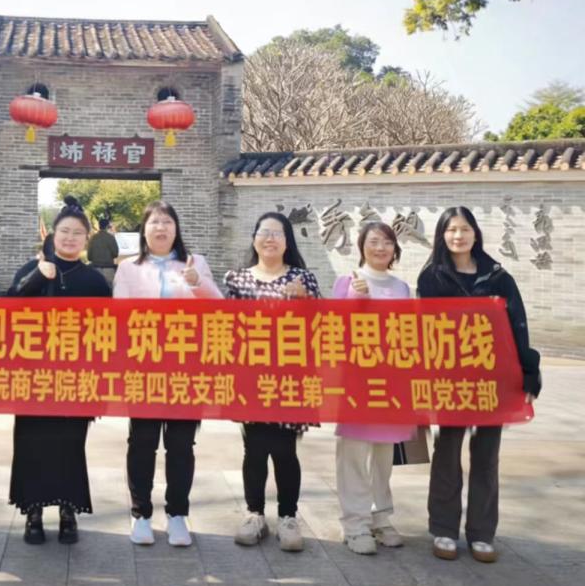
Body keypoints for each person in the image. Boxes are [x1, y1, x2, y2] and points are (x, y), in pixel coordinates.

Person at [418, 206, 540, 563]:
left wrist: (529, 370)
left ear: (475, 233)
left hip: (493, 380)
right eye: (451, 230)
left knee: (487, 455)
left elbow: (517, 325)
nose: (458, 236)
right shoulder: (432, 278)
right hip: (451, 380)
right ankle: (443, 528)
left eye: (464, 229)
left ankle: (482, 533)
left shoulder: (498, 277)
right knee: (447, 452)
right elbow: (424, 331)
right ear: (442, 235)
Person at [112, 200, 222, 547]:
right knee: (142, 443)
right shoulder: (128, 268)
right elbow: (120, 317)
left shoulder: (195, 263)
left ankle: (177, 514)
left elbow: (219, 308)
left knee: (181, 444)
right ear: (144, 230)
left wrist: (197, 283)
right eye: (154, 222)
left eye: (167, 222)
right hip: (144, 368)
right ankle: (141, 514)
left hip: (186, 369)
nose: (161, 228)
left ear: (176, 229)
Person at [8, 196, 110, 545]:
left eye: (77, 233)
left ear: (86, 239)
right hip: (32, 377)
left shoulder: (95, 281)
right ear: (52, 234)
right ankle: (33, 513)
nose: (70, 238)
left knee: (70, 446)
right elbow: (6, 310)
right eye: (64, 231)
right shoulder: (32, 268)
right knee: (31, 444)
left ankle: (69, 512)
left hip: (76, 380)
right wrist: (38, 277)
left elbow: (108, 334)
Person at [224, 211, 320, 552]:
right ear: (254, 239)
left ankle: (288, 517)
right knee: (254, 448)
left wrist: (305, 301)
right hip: (250, 377)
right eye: (263, 232)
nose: (269, 238)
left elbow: (321, 325)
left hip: (290, 377)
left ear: (287, 241)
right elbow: (227, 327)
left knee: (284, 449)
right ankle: (254, 515)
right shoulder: (237, 279)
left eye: (277, 233)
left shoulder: (303, 278)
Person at [332, 222, 413, 555]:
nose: (381, 248)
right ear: (362, 246)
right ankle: (354, 524)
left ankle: (380, 517)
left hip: (391, 384)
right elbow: (334, 331)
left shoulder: (402, 288)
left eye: (387, 242)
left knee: (383, 455)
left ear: (395, 249)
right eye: (374, 241)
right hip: (356, 384)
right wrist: (356, 298)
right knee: (353, 454)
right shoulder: (346, 282)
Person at [87, 217, 120, 285]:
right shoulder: (110, 237)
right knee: (109, 289)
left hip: (95, 269)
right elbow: (115, 253)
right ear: (107, 226)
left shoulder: (93, 238)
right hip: (108, 268)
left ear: (99, 226)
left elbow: (89, 256)